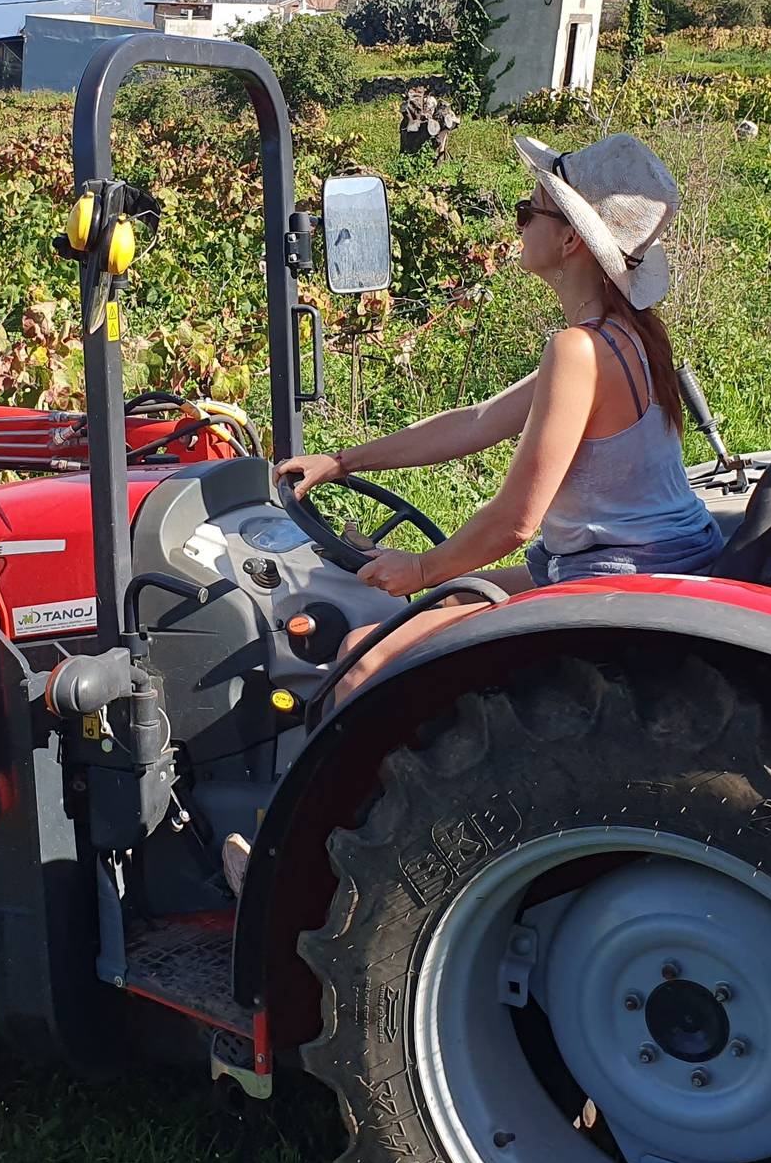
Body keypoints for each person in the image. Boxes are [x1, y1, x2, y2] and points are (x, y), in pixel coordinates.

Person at [221, 133, 721, 894]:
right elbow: (476, 420)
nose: (519, 223)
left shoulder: (580, 351)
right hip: (644, 560)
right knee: (439, 615)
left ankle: (301, 880)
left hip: (611, 576)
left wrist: (419, 569)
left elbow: (517, 520)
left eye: (533, 210)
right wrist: (345, 461)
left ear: (571, 243)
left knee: (362, 662)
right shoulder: (625, 337)